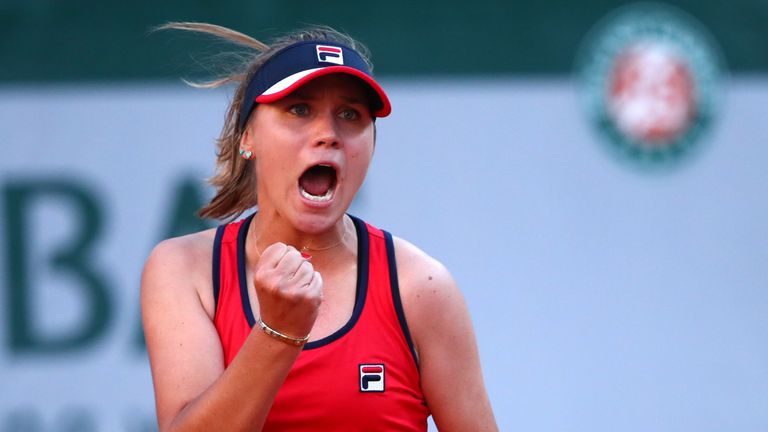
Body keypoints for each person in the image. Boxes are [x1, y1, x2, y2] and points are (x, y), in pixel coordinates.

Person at [141, 22, 498, 431]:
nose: (328, 134)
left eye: (350, 115)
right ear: (247, 137)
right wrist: (278, 333)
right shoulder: (183, 269)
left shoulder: (422, 286)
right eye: (299, 109)